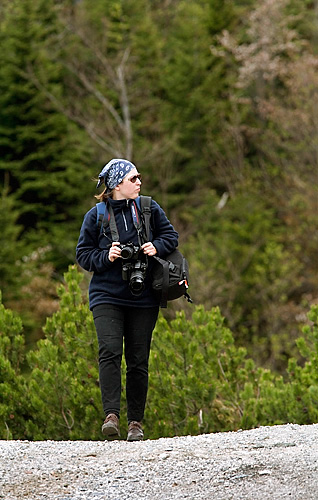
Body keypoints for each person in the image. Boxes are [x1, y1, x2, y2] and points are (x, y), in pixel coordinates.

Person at [76, 158, 178, 441]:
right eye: (134, 178)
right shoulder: (95, 216)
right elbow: (83, 255)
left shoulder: (148, 208)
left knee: (138, 360)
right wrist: (106, 256)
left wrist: (154, 245)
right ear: (117, 184)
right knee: (109, 351)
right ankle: (111, 417)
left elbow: (172, 236)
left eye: (139, 178)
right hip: (106, 294)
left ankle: (135, 423)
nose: (139, 182)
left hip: (143, 295)